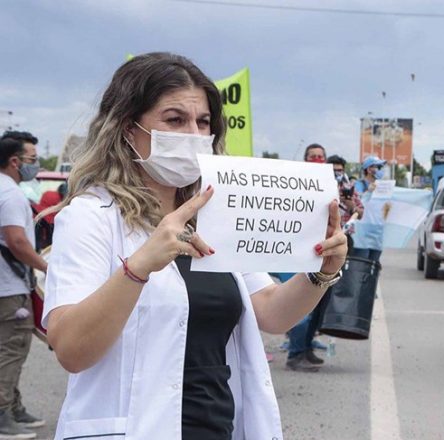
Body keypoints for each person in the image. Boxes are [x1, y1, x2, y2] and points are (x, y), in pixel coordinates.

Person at [41, 52, 347, 439]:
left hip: (216, 427)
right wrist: (138, 268)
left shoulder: (217, 215)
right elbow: (70, 349)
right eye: (174, 120)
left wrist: (322, 271)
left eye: (203, 123)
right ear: (126, 128)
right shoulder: (92, 216)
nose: (193, 134)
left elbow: (271, 312)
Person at [0, 131, 48, 438]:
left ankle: (14, 407)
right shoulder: (12, 194)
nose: (35, 165)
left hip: (6, 285)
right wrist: (47, 267)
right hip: (10, 287)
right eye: (32, 159)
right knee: (12, 350)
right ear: (15, 161)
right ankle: (3, 416)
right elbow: (17, 241)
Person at [284, 145, 345, 372]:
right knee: (302, 310)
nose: (317, 160)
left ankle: (306, 348)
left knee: (317, 307)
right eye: (313, 157)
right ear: (305, 159)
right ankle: (295, 354)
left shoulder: (333, 186)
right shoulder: (295, 183)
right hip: (299, 254)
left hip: (324, 255)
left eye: (321, 157)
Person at [351, 155, 388, 264]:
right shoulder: (358, 185)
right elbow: (357, 202)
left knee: (373, 267)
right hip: (361, 234)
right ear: (368, 169)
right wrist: (368, 191)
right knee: (360, 266)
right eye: (378, 167)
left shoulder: (382, 186)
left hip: (377, 233)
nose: (380, 170)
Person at [327, 154, 364, 236]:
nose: (336, 173)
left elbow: (361, 214)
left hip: (345, 234)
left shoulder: (350, 188)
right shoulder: (321, 187)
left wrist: (351, 206)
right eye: (333, 170)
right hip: (326, 234)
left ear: (343, 171)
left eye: (339, 170)